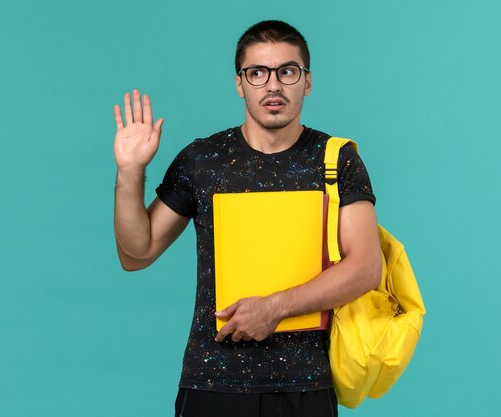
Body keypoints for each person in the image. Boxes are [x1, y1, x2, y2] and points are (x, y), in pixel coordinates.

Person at [112, 20, 382, 417]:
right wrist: (130, 171)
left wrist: (274, 308)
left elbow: (366, 268)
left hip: (304, 385)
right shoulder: (201, 159)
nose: (273, 85)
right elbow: (136, 252)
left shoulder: (336, 159)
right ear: (240, 84)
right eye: (257, 73)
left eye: (288, 71)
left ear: (307, 81)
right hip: (211, 382)